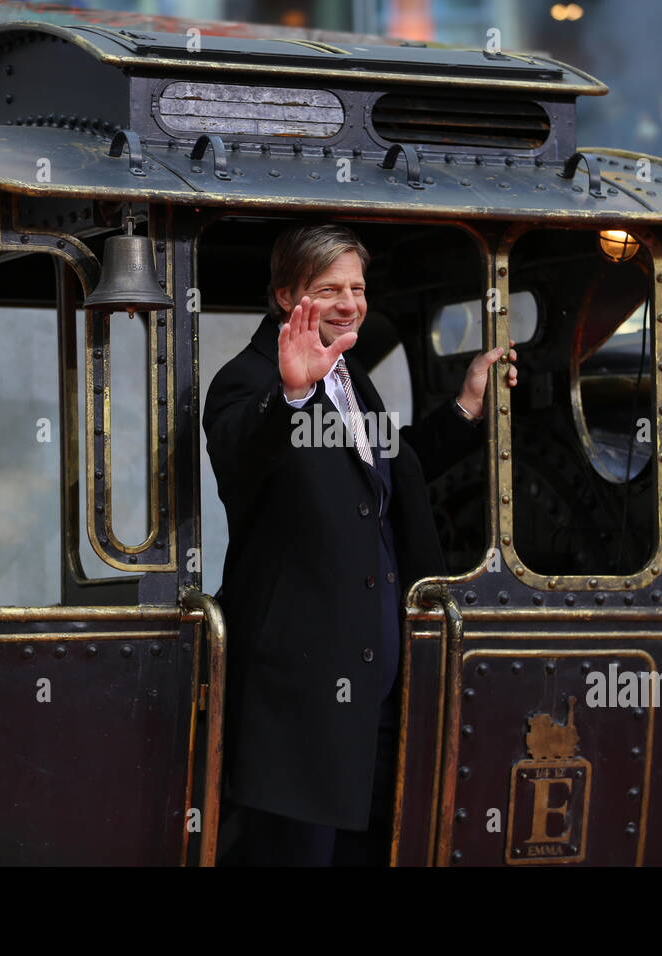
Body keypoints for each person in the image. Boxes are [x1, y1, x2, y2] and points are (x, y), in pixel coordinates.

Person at [203, 222, 518, 866]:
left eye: (357, 287)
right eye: (329, 289)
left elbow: (388, 474)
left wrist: (466, 407)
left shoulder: (351, 378)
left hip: (380, 687)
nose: (350, 302)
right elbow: (241, 465)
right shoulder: (249, 381)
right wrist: (290, 396)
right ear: (288, 297)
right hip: (302, 700)